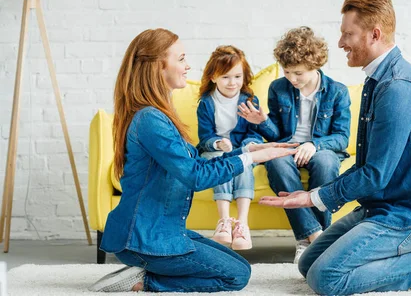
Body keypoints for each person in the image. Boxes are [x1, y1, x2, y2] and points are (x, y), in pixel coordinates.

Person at [259, 0, 411, 294]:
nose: (340, 43)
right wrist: (315, 194)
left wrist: (311, 198)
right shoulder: (377, 79)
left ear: (374, 34)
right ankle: (408, 256)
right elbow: (365, 165)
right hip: (382, 205)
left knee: (326, 279)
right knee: (308, 264)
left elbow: (375, 174)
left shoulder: (397, 87)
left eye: (347, 34)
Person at [88, 28, 296, 293]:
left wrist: (254, 154)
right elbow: (196, 176)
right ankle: (144, 280)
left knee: (235, 261)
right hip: (144, 239)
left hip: (162, 232)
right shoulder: (150, 119)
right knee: (237, 275)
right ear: (158, 66)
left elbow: (198, 163)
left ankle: (147, 268)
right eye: (182, 59)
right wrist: (248, 159)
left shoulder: (158, 114)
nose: (188, 66)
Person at [238, 26, 351, 264]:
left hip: (322, 149)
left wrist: (314, 144)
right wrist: (262, 122)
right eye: (287, 72)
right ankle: (314, 238)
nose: (292, 79)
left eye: (298, 73)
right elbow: (277, 135)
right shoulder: (278, 88)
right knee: (276, 161)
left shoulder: (337, 92)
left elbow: (342, 138)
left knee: (326, 162)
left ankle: (308, 240)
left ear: (315, 65)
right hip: (287, 148)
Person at [197, 45, 263, 250]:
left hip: (242, 149)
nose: (232, 83)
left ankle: (242, 223)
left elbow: (254, 132)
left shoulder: (250, 100)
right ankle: (224, 223)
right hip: (217, 151)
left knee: (242, 161)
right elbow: (205, 136)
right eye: (225, 77)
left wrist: (247, 145)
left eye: (237, 76)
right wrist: (217, 143)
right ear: (213, 77)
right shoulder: (206, 103)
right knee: (221, 161)